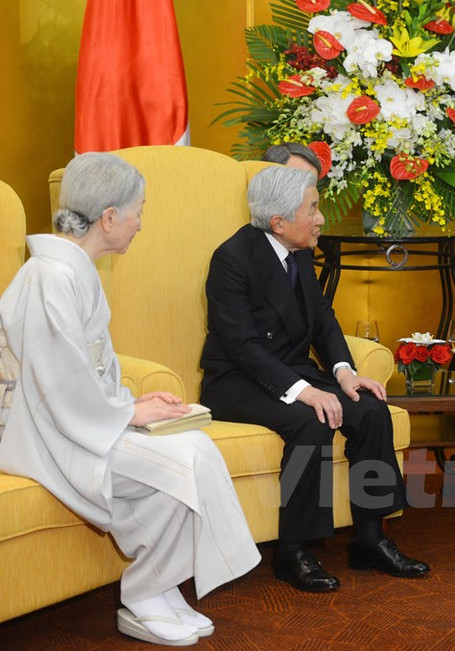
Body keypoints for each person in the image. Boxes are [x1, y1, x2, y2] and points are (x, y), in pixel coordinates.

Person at [0, 153, 260, 646]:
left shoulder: (74, 270)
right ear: (110, 217)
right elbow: (57, 381)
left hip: (76, 421)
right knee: (188, 457)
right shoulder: (50, 277)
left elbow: (90, 367)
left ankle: (155, 590)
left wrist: (134, 402)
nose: (142, 222)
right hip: (40, 432)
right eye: (139, 210)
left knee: (191, 447)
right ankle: (144, 593)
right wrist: (130, 413)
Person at [199, 166, 429, 594]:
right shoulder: (232, 259)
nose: (321, 218)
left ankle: (370, 538)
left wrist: (344, 373)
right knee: (313, 420)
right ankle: (294, 550)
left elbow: (323, 318)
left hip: (290, 371)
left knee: (372, 410)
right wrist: (305, 393)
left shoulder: (300, 250)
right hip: (237, 380)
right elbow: (244, 347)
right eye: (314, 208)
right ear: (278, 222)